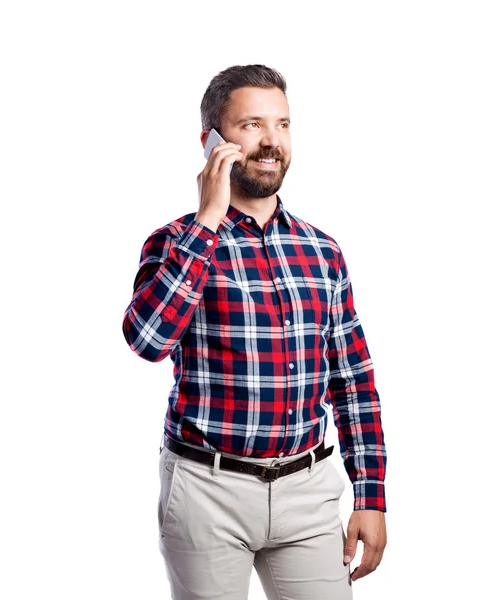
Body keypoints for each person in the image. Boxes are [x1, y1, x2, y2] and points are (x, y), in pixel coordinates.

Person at [122, 64, 387, 600]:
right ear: (211, 142)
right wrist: (209, 219)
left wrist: (371, 495)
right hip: (206, 491)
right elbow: (148, 340)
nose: (271, 142)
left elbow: (353, 382)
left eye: (283, 125)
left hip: (308, 492)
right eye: (252, 125)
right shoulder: (174, 243)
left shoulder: (323, 250)